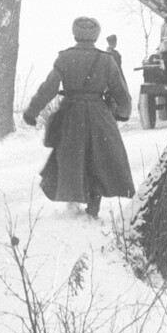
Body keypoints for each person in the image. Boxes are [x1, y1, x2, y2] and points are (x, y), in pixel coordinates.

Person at [22, 17, 134, 218]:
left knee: (72, 157)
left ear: (75, 34)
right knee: (98, 158)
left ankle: (73, 201)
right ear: (96, 36)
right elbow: (120, 90)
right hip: (99, 114)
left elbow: (48, 88)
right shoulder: (106, 60)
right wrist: (123, 112)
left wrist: (32, 111)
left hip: (71, 114)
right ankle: (93, 206)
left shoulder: (64, 58)